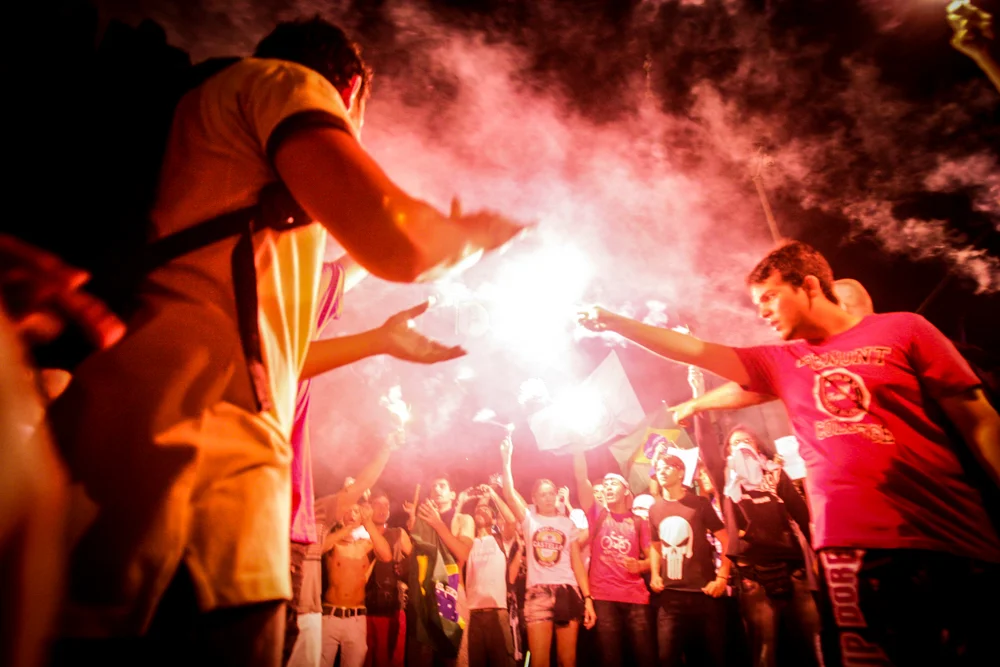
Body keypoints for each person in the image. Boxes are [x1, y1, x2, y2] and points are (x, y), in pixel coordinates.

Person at [47, 15, 523, 667]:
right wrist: (472, 236)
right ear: (350, 89)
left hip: (117, 468)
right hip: (201, 479)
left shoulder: (206, 138)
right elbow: (401, 242)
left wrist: (378, 339)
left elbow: (277, 355)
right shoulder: (285, 84)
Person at [579, 241, 1000, 666]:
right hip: (855, 548)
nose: (761, 311)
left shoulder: (906, 329)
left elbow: (980, 421)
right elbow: (697, 352)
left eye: (769, 297)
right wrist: (616, 322)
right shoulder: (784, 361)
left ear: (810, 286)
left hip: (958, 537)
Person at [720, 425, 820, 667]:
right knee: (764, 645)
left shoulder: (775, 474)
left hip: (791, 565)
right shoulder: (729, 481)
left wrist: (817, 556)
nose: (741, 445)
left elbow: (802, 515)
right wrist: (698, 400)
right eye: (735, 443)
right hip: (754, 572)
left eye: (746, 440)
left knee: (814, 638)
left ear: (757, 446)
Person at [501, 435, 596, 667]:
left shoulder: (567, 523)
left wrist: (588, 599)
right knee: (540, 661)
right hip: (537, 594)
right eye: (542, 494)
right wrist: (506, 459)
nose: (548, 497)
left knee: (568, 660)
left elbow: (575, 563)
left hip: (568, 591)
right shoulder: (529, 519)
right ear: (534, 498)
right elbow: (508, 493)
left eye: (551, 493)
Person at [648, 453, 732, 667]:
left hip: (703, 595)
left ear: (681, 472)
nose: (662, 471)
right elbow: (656, 546)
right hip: (670, 599)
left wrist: (722, 577)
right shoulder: (654, 509)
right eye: (658, 468)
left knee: (710, 659)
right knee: (666, 659)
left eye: (667, 467)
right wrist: (656, 575)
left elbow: (726, 540)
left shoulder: (699, 503)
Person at [572, 455, 655, 667]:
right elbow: (582, 480)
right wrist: (577, 449)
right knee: (610, 659)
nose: (608, 486)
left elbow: (654, 556)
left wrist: (642, 565)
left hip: (636, 598)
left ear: (626, 490)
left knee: (644, 658)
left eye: (613, 483)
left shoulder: (638, 522)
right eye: (605, 483)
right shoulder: (598, 515)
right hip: (604, 597)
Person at [320, 503, 392, 667]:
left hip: (356, 619)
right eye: (348, 510)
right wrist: (348, 528)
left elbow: (387, 555)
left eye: (356, 511)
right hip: (329, 616)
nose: (352, 514)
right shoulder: (333, 541)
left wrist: (367, 523)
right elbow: (320, 548)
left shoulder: (367, 545)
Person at [464, 489, 519, 667]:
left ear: (494, 519)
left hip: (497, 613)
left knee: (502, 662)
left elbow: (511, 520)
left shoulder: (501, 540)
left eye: (486, 510)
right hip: (472, 616)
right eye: (478, 510)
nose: (481, 511)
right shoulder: (466, 542)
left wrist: (493, 494)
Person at [363, 487, 411, 667]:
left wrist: (406, 567)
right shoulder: (358, 533)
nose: (383, 509)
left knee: (390, 660)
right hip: (362, 609)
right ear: (368, 507)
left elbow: (417, 561)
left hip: (391, 608)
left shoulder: (399, 534)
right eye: (377, 504)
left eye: (386, 506)